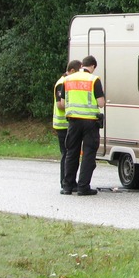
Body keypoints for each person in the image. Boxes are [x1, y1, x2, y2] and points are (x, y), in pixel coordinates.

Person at [62, 55, 105, 195]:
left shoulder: (68, 79)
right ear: (92, 66)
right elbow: (101, 103)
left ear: (82, 65)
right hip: (90, 122)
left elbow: (62, 103)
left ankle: (68, 186)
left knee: (71, 153)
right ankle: (83, 187)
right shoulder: (94, 80)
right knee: (88, 154)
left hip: (73, 121)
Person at [53, 59, 82, 190]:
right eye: (77, 72)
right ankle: (65, 182)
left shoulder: (68, 81)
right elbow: (60, 104)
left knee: (72, 154)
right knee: (67, 154)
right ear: (71, 71)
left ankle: (70, 182)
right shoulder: (62, 83)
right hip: (63, 124)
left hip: (69, 124)